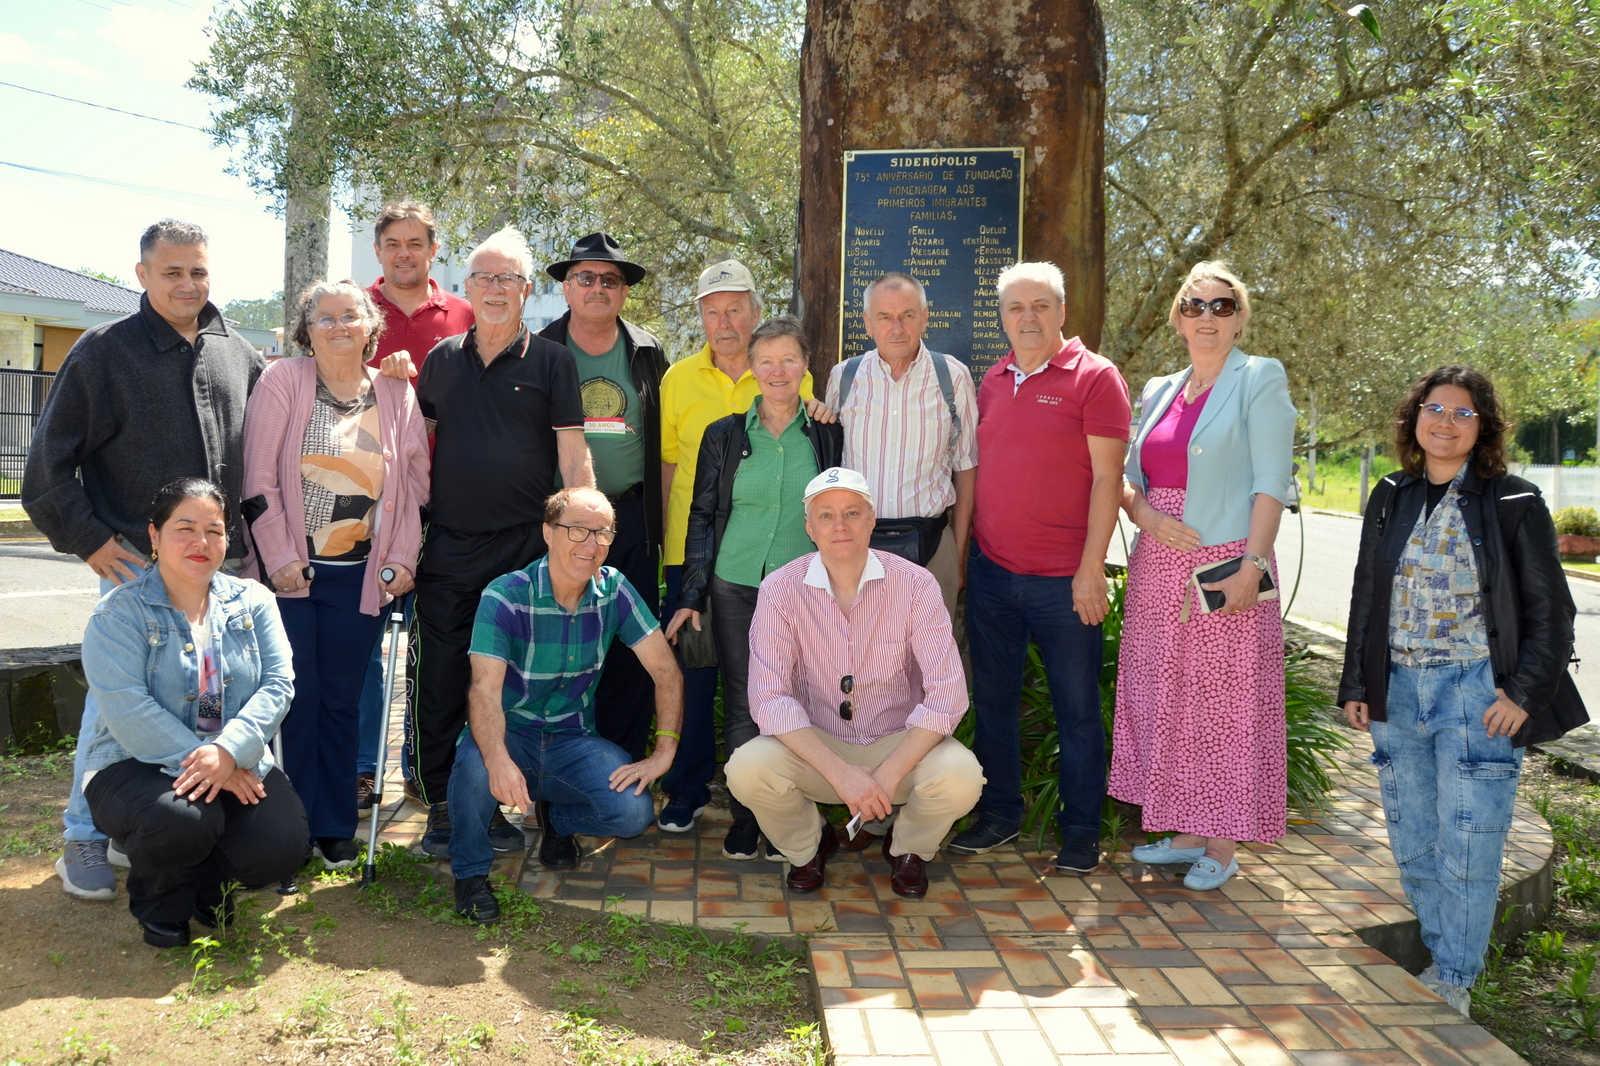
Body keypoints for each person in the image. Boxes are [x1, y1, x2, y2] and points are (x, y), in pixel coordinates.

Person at [22, 219, 265, 901]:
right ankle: (83, 838)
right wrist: (94, 540)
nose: (188, 284)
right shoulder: (103, 353)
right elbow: (45, 470)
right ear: (142, 276)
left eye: (199, 272)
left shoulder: (238, 354)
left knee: (202, 708)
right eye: (172, 272)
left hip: (224, 573)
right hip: (135, 572)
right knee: (112, 707)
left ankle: (140, 829)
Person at [1341, 366, 1587, 1016]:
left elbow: (1552, 612)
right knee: (1414, 840)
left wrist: (1524, 695)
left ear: (1484, 429)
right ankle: (1437, 953)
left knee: (1470, 845)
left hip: (1476, 695)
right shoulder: (1390, 494)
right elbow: (1369, 594)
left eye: (1463, 413)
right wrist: (1357, 683)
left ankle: (1454, 979)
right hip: (1397, 691)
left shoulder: (1514, 502)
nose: (1445, 422)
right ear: (1414, 416)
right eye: (1435, 408)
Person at [379, 226, 594, 860]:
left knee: (525, 683)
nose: (495, 290)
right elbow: (413, 454)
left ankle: (525, 802)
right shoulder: (442, 360)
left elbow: (574, 459)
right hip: (448, 547)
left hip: (526, 553)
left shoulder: (555, 362)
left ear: (528, 290)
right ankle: (444, 805)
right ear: (466, 288)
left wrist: (582, 535)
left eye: (507, 279)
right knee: (441, 678)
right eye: (483, 279)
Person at [1107, 261, 1297, 891]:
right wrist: (1147, 519)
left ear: (1239, 318)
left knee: (1223, 704)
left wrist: (1254, 566)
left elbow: (1272, 480)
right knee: (1166, 696)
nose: (1207, 317)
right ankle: (1185, 831)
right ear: (1178, 317)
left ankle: (1222, 841)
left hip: (1224, 563)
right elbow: (1131, 479)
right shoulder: (1160, 387)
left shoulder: (1259, 378)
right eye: (1195, 305)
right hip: (1159, 566)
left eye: (1221, 306)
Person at [241, 279, 429, 869]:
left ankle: (335, 828)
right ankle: (292, 827)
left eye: (350, 315)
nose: (338, 326)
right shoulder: (282, 382)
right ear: (307, 329)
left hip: (360, 575)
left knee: (344, 699)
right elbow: (258, 480)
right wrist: (279, 560)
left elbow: (416, 484)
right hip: (294, 575)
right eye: (325, 318)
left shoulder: (396, 392)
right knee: (298, 698)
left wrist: (402, 558)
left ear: (370, 326)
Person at [952, 262, 1131, 875]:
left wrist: (1090, 571)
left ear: (1061, 311)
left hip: (1065, 582)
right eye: (1014, 308)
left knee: (1076, 711)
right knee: (993, 701)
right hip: (995, 576)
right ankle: (1000, 814)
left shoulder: (1096, 378)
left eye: (1039, 306)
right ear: (1001, 316)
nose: (1027, 318)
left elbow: (1109, 478)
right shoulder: (993, 381)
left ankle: (1080, 832)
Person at [726, 467, 981, 898]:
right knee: (747, 769)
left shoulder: (916, 584)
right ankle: (810, 846)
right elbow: (769, 700)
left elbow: (948, 696)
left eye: (851, 512)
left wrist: (887, 774)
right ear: (809, 527)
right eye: (825, 515)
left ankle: (908, 849)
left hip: (898, 742)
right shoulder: (780, 589)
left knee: (962, 776)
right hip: (818, 744)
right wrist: (843, 776)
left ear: (872, 519)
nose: (839, 525)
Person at [77, 478, 304, 948]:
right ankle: (161, 907)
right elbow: (128, 710)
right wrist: (214, 759)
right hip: (131, 763)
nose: (201, 543)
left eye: (215, 530)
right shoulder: (117, 614)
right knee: (183, 818)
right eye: (185, 528)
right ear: (154, 537)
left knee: (281, 846)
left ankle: (209, 886)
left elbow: (278, 685)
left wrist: (228, 751)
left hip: (231, 755)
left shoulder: (254, 601)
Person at [448, 488, 684, 923]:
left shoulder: (614, 590)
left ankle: (558, 819)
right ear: (548, 532)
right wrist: (498, 759)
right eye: (577, 530)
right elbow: (483, 690)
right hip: (510, 733)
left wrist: (664, 752)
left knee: (633, 813)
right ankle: (471, 874)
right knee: (476, 767)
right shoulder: (505, 595)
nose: (590, 545)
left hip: (572, 740)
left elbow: (666, 672)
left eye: (602, 533)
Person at [666, 317, 844, 860]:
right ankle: (748, 816)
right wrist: (693, 593)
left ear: (805, 366)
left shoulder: (827, 430)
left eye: (788, 359)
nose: (776, 370)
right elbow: (700, 515)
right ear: (751, 367)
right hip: (736, 585)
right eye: (764, 360)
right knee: (745, 703)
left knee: (801, 702)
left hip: (805, 589)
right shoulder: (724, 433)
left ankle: (791, 815)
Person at [354, 201, 473, 815]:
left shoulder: (463, 314)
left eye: (416, 243)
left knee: (434, 644)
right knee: (364, 640)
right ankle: (363, 770)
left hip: (445, 500)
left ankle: (423, 770)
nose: (405, 253)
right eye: (393, 243)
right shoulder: (353, 310)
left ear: (433, 250)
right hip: (367, 500)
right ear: (379, 251)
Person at [536, 233, 669, 762]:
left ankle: (622, 762)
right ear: (567, 288)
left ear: (624, 293)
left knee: (632, 643)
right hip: (559, 520)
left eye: (609, 280)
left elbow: (666, 439)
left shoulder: (648, 350)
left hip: (632, 518)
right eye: (585, 278)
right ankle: (555, 767)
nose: (597, 288)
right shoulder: (541, 348)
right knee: (559, 642)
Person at [825, 272, 978, 620]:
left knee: (932, 665)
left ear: (924, 317)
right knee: (860, 661)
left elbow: (966, 467)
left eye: (907, 315)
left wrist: (956, 551)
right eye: (884, 316)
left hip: (932, 547)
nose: (896, 327)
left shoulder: (953, 378)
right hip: (856, 548)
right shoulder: (843, 378)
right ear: (867, 323)